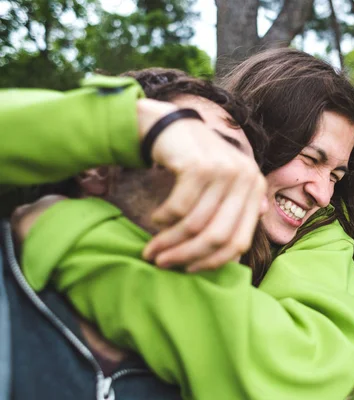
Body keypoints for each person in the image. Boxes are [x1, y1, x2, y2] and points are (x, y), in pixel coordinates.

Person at [16, 49, 354, 400]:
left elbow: (297, 367)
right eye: (308, 157)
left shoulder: (321, 234)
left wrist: (64, 231)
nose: (322, 193)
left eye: (336, 174)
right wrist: (127, 123)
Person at [0, 70, 267, 399]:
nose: (251, 199)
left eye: (249, 179)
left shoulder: (214, 364)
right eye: (215, 153)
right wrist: (137, 122)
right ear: (97, 169)